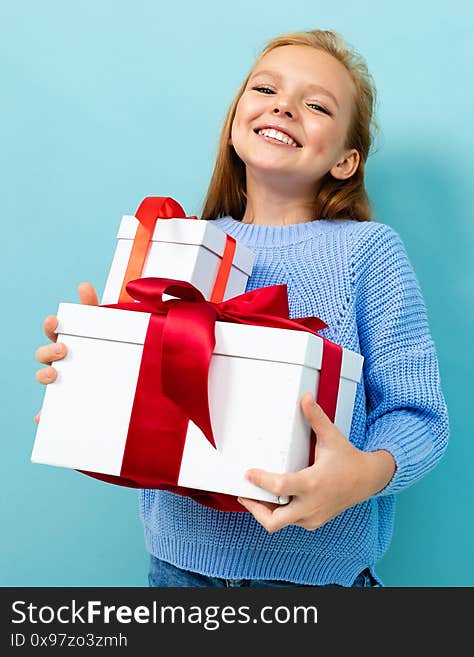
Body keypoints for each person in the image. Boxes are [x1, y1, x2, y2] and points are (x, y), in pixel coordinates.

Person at [32, 29, 449, 588]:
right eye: (266, 89)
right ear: (235, 123)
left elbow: (419, 417)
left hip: (313, 581)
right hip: (178, 570)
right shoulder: (179, 244)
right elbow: (151, 402)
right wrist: (88, 371)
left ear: (347, 161)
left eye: (317, 104)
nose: (284, 106)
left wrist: (362, 475)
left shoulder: (367, 252)